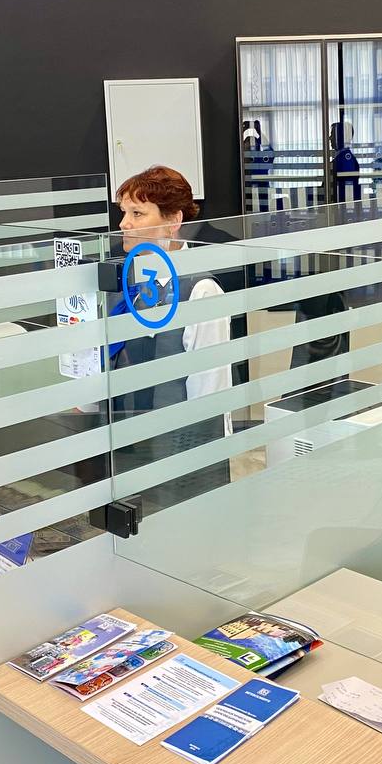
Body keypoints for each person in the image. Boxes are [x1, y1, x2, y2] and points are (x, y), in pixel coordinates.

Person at [110, 165, 233, 513]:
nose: (124, 224)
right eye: (124, 213)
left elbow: (210, 390)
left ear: (173, 220)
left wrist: (200, 457)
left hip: (181, 447)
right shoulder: (131, 283)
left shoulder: (200, 290)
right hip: (133, 438)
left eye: (137, 213)